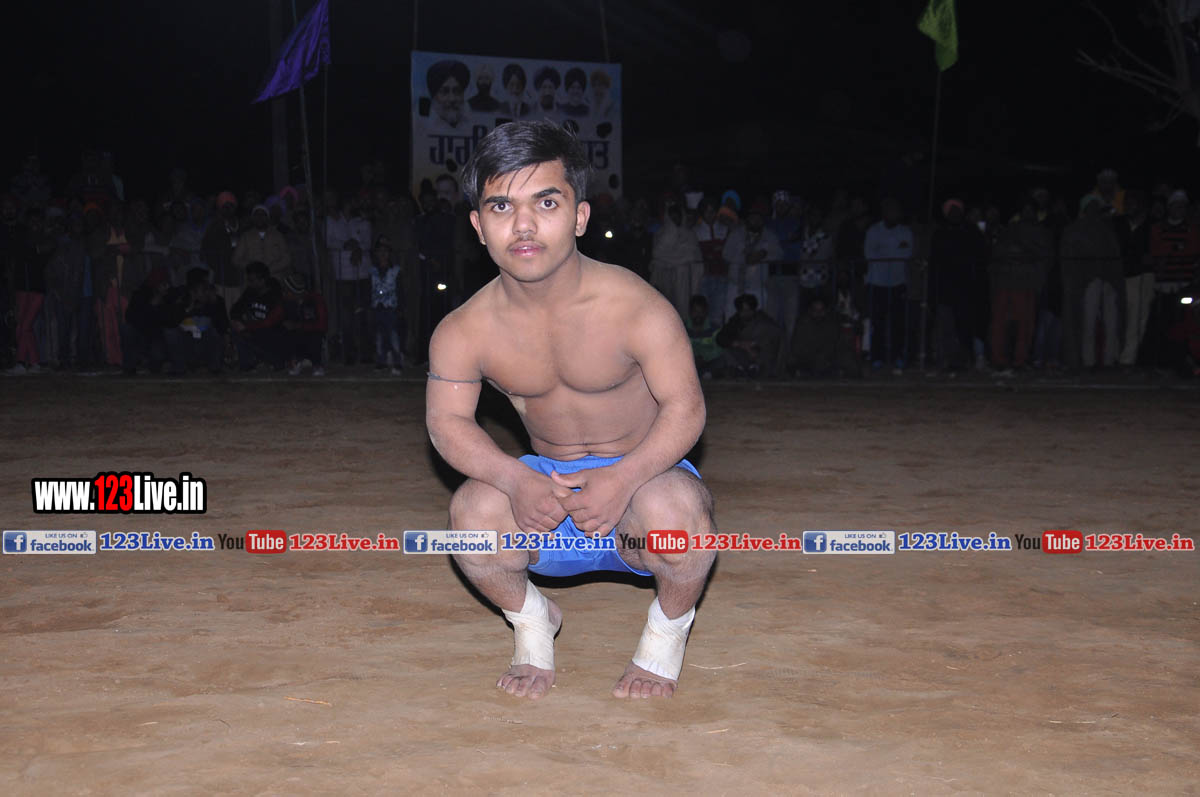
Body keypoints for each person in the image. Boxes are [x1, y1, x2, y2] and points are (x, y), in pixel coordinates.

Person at [428, 121, 715, 701]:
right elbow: (447, 423)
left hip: (641, 491)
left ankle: (664, 637)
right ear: (478, 226)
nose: (524, 225)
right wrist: (515, 479)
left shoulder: (636, 306)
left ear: (580, 216)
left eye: (546, 203)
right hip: (548, 498)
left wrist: (624, 477)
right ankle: (533, 623)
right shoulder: (464, 328)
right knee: (470, 514)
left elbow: (686, 408)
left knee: (678, 519)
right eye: (502, 206)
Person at [863, 197, 913, 371]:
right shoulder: (873, 230)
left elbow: (907, 253)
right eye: (889, 210)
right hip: (877, 282)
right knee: (878, 323)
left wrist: (884, 251)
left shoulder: (905, 231)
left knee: (898, 322)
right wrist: (893, 252)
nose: (892, 213)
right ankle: (877, 357)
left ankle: (897, 356)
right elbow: (869, 254)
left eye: (895, 210)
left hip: (898, 282)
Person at [165, 268, 228, 375]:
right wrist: (188, 308)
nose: (207, 291)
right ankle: (180, 368)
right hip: (188, 344)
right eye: (203, 288)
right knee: (170, 333)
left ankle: (215, 367)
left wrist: (214, 305)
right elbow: (171, 322)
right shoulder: (182, 301)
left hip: (205, 344)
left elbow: (223, 327)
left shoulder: (216, 301)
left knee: (215, 331)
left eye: (207, 287)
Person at [230, 262, 285, 370]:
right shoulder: (250, 292)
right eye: (248, 280)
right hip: (254, 329)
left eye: (252, 280)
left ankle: (271, 360)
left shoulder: (275, 295)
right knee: (235, 328)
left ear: (262, 280)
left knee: (268, 334)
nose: (249, 283)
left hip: (271, 332)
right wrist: (238, 320)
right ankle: (247, 364)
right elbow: (236, 309)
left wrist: (247, 327)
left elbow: (272, 322)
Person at [713, 293, 783, 377]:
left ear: (754, 310)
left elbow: (776, 336)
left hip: (762, 356)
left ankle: (759, 370)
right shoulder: (735, 321)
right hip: (743, 355)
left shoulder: (764, 321)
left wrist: (754, 345)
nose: (746, 313)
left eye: (748, 310)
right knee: (726, 352)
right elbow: (720, 338)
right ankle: (740, 370)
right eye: (743, 311)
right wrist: (741, 344)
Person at [281, 271, 328, 376]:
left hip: (313, 332)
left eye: (287, 290)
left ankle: (317, 364)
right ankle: (295, 361)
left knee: (315, 336)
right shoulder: (286, 302)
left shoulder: (316, 299)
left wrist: (299, 326)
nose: (284, 293)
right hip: (297, 333)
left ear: (295, 291)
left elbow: (322, 325)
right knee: (284, 333)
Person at [370, 234, 404, 373]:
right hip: (376, 306)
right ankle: (381, 361)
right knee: (379, 334)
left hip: (391, 307)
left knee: (393, 334)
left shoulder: (396, 270)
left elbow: (401, 290)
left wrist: (400, 307)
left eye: (385, 251)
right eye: (380, 251)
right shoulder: (372, 271)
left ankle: (397, 362)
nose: (383, 254)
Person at [427, 60, 469, 128]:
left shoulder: (471, 122)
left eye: (457, 91)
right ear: (433, 96)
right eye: (444, 92)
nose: (452, 99)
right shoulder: (422, 125)